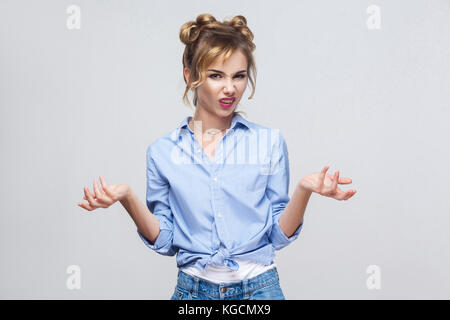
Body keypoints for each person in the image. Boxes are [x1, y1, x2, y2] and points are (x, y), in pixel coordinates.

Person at [77, 13, 357, 300]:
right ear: (190, 75)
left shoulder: (268, 143)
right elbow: (165, 240)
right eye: (216, 75)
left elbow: (277, 235)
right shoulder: (163, 152)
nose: (230, 88)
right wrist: (127, 198)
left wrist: (304, 190)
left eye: (239, 76)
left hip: (259, 291)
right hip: (194, 292)